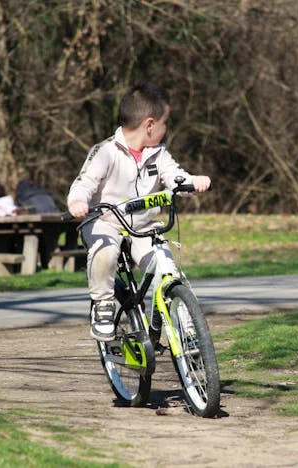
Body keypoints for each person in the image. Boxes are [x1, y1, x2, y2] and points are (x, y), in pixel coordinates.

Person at [67, 82, 211, 341]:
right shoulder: (105, 152)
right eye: (165, 123)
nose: (166, 130)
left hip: (143, 226)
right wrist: (78, 201)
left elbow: (175, 176)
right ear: (150, 125)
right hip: (105, 221)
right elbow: (85, 183)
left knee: (167, 268)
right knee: (106, 252)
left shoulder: (158, 154)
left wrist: (192, 182)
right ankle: (102, 305)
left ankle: (187, 327)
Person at [15, 179, 61, 268]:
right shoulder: (45, 194)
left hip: (37, 226)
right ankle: (47, 263)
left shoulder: (23, 197)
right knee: (49, 240)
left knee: (22, 236)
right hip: (57, 225)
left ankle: (25, 266)